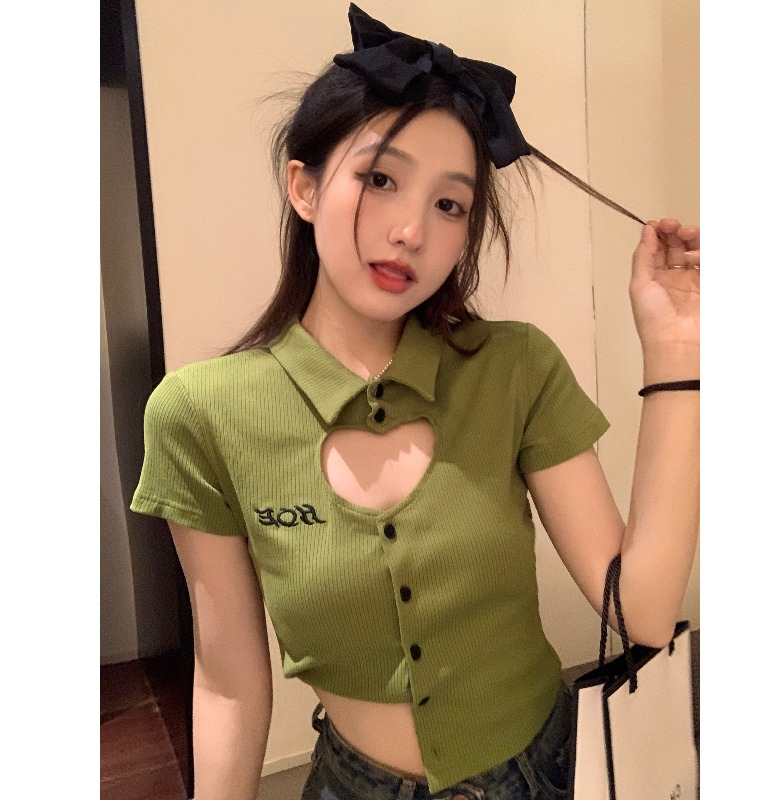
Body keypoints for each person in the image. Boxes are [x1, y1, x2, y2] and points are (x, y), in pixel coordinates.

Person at [131, 5, 699, 799]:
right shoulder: (200, 414)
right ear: (304, 186)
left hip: (543, 774)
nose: (410, 232)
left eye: (449, 205)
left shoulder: (515, 368)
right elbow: (228, 685)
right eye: (380, 179)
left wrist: (677, 352)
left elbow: (640, 612)